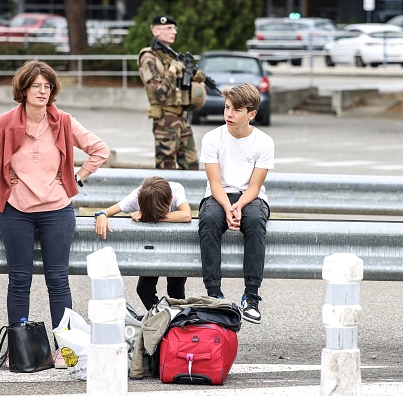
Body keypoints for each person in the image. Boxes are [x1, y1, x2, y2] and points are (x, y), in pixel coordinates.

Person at [0, 60, 110, 368]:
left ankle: (65, 348)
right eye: (36, 86)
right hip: (15, 210)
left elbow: (100, 149)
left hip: (57, 210)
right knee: (19, 279)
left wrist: (76, 178)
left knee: (58, 280)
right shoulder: (5, 123)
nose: (43, 91)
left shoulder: (63, 121)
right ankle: (17, 347)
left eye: (47, 86)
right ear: (23, 89)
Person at [198, 83, 274, 325]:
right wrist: (228, 207)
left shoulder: (264, 142)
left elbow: (254, 187)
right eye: (227, 108)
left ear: (251, 114)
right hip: (218, 195)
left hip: (250, 197)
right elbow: (215, 183)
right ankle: (214, 295)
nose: (229, 114)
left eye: (236, 110)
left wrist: (238, 206)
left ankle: (251, 297)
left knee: (254, 220)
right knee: (209, 219)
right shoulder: (212, 138)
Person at [94, 176, 192, 310]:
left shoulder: (175, 189)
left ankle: (179, 322)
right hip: (153, 246)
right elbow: (108, 211)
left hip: (175, 245)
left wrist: (150, 216)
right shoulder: (138, 194)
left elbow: (186, 215)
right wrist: (101, 215)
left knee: (175, 290)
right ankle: (160, 317)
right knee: (144, 289)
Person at [137, 14, 205, 170]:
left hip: (181, 118)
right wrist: (173, 71)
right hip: (165, 120)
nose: (173, 32)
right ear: (155, 31)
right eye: (168, 28)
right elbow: (158, 94)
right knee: (166, 167)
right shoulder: (148, 58)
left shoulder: (171, 56)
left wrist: (195, 79)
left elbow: (179, 89)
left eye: (174, 28)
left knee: (192, 165)